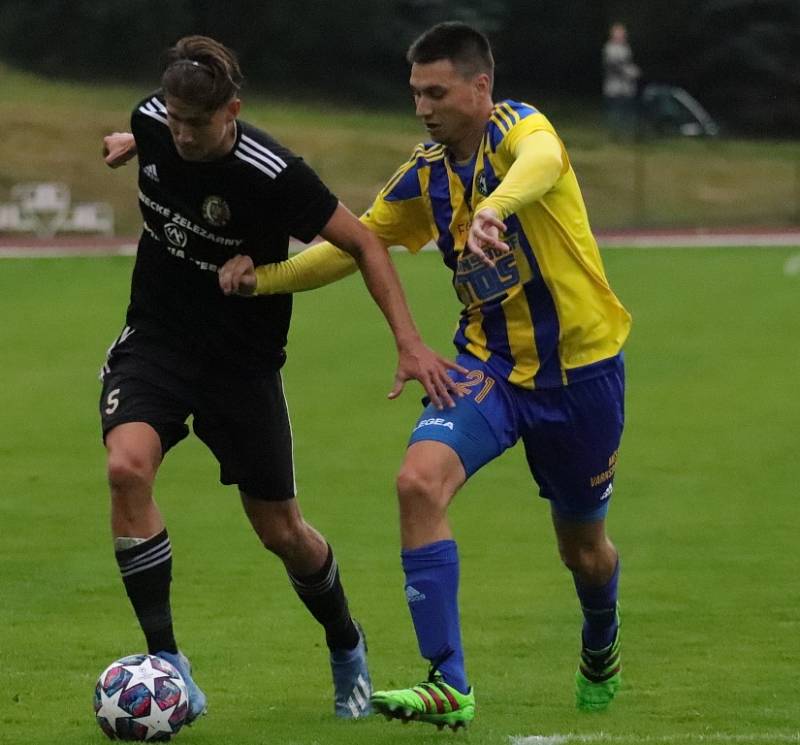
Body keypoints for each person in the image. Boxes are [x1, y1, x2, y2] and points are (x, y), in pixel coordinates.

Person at [220, 21, 632, 729]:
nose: (423, 107)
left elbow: (540, 163)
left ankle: (600, 639)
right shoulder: (425, 174)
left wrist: (496, 209)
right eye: (415, 93)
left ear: (481, 88)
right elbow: (354, 244)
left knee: (584, 550)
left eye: (436, 92)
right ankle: (449, 679)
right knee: (417, 481)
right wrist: (267, 279)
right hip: (487, 367)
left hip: (582, 372)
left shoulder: (521, 131)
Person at [98, 34, 462, 725]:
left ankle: (346, 643)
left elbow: (361, 243)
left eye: (195, 124)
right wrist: (137, 142)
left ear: (231, 111)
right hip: (158, 341)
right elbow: (157, 137)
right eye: (170, 120)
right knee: (126, 466)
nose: (179, 133)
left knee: (282, 531)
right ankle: (168, 663)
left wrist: (409, 342)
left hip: (242, 365)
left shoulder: (272, 173)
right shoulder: (155, 120)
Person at [602, 22, 641, 139]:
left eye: (622, 33)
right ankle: (613, 135)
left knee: (627, 112)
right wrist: (628, 72)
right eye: (618, 33)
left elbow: (627, 63)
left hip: (627, 88)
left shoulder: (626, 48)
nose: (621, 36)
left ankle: (626, 135)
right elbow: (613, 65)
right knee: (615, 112)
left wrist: (634, 71)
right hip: (614, 88)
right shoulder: (609, 48)